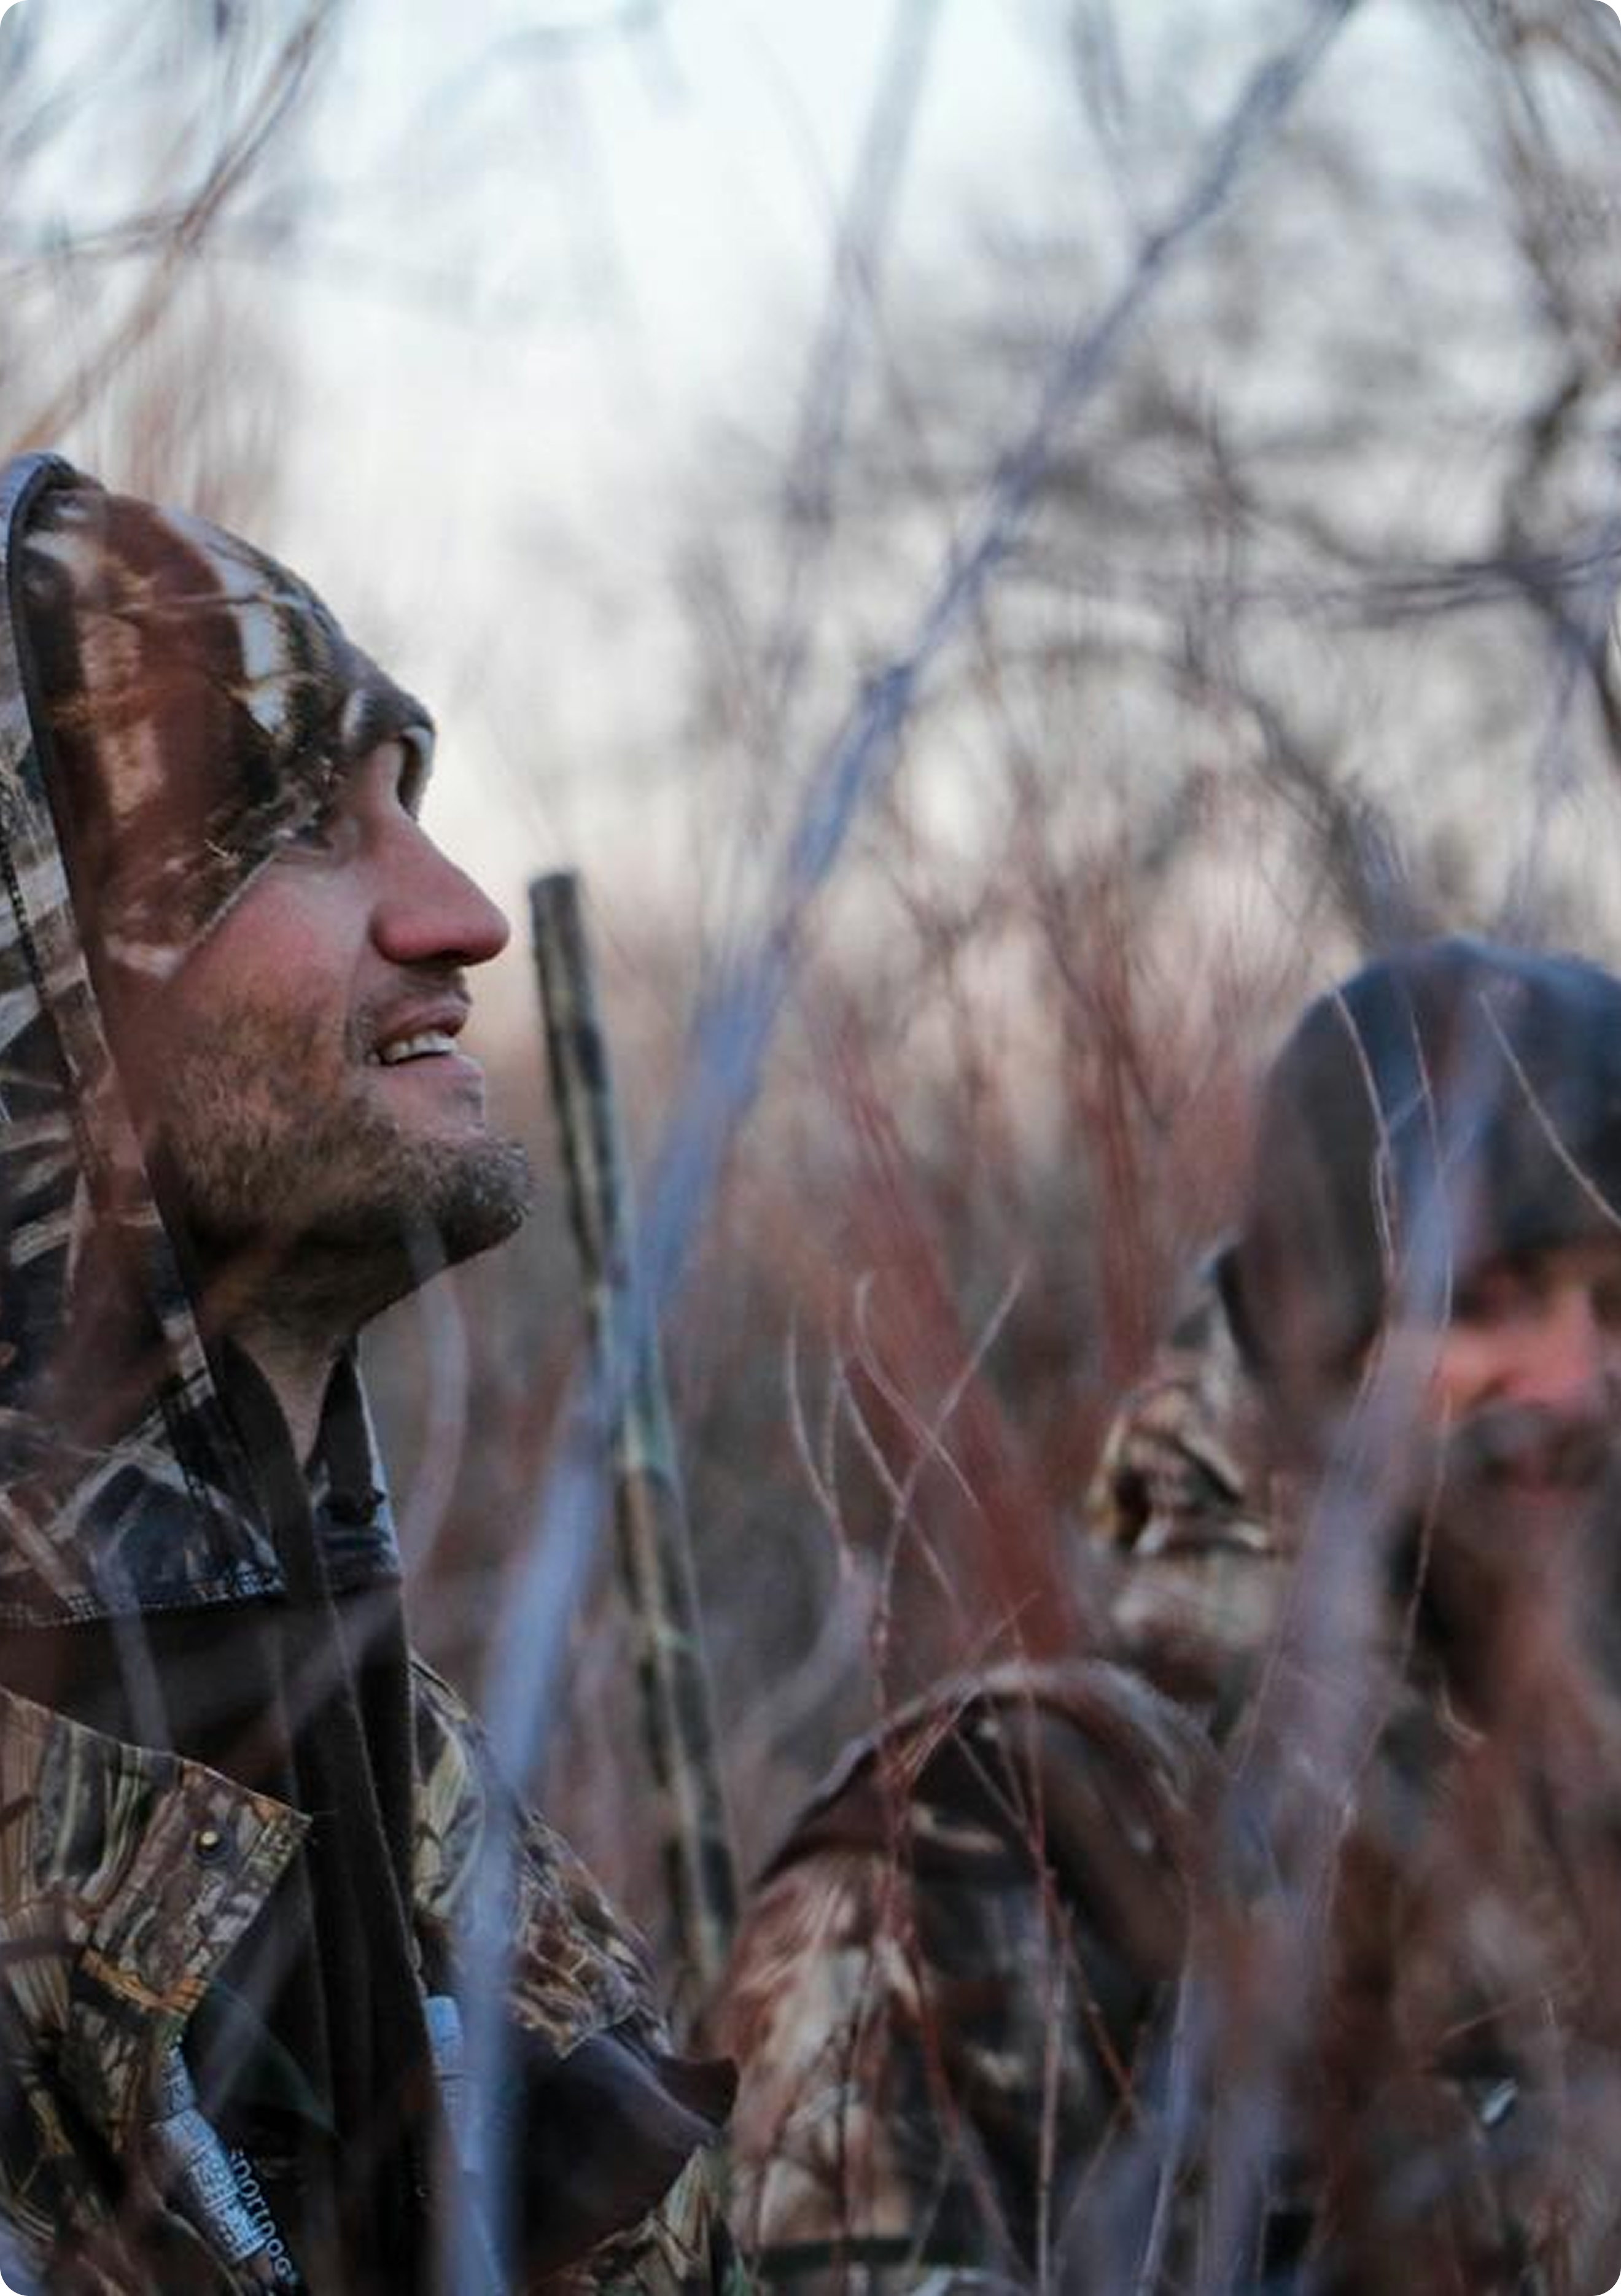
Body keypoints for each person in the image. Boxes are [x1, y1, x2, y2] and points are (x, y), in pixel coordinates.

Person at [0, 451, 735, 2295]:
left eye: (412, 804)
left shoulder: (426, 1798)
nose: (464, 914)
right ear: (43, 969)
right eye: (312, 826)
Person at [713, 936, 1621, 2292]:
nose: (1573, 1380)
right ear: (1321, 1329)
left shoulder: (1571, 1792)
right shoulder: (999, 1841)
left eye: (1615, 1304)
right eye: (1479, 1301)